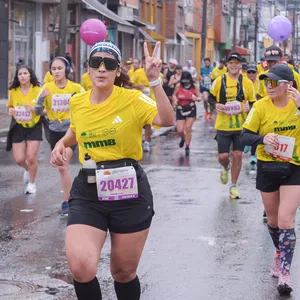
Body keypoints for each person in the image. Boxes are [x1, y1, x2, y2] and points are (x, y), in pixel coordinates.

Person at [50, 40, 175, 300]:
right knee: (81, 267)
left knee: (123, 271)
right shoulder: (78, 102)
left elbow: (166, 120)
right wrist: (61, 143)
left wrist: (154, 82)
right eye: (96, 63)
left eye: (109, 64)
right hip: (88, 190)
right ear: (88, 68)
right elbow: (76, 131)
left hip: (129, 190)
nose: (102, 69)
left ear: (118, 71)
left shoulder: (132, 99)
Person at [240, 64, 300, 295]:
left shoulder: (297, 105)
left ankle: (285, 272)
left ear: (288, 85)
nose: (269, 86)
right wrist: (263, 138)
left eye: (274, 82)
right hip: (268, 167)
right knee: (273, 222)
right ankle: (279, 253)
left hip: (294, 166)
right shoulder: (261, 106)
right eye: (267, 82)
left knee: (286, 219)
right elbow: (245, 136)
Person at [34, 56, 85, 216]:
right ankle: (72, 195)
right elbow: (37, 112)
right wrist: (42, 98)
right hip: (54, 132)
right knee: (61, 168)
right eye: (54, 69)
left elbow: (87, 105)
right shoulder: (47, 88)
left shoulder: (76, 88)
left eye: (59, 68)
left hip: (71, 131)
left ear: (67, 70)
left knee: (63, 165)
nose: (56, 71)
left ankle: (67, 201)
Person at [209, 52, 256, 199]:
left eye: (237, 63)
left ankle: (234, 186)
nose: (234, 65)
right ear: (227, 65)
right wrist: (216, 104)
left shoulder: (247, 83)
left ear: (240, 65)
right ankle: (225, 167)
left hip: (240, 126)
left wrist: (250, 108)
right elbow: (211, 97)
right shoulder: (219, 80)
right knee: (223, 156)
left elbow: (253, 102)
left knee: (238, 154)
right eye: (231, 63)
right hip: (223, 125)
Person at [6, 65, 42, 194]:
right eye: (20, 74)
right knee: (19, 159)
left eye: (25, 73)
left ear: (30, 75)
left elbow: (45, 110)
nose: (22, 76)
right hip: (18, 126)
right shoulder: (13, 91)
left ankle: (32, 183)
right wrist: (10, 110)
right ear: (17, 77)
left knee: (32, 157)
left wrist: (33, 109)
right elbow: (10, 107)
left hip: (34, 126)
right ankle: (27, 169)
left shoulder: (38, 90)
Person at [173, 71, 201, 155]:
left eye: (187, 81)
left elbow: (200, 97)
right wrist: (175, 100)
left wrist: (196, 98)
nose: (185, 83)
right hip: (180, 108)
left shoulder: (194, 87)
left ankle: (187, 146)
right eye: (184, 81)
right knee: (180, 130)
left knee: (188, 127)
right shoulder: (178, 86)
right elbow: (174, 95)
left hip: (191, 108)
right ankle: (183, 138)